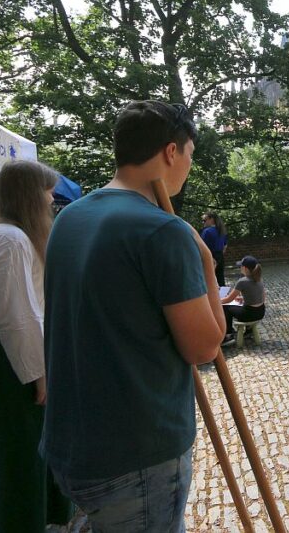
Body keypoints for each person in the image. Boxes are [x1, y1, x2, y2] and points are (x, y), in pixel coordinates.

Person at [41, 101, 225, 532]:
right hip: (136, 453)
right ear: (170, 153)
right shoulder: (162, 231)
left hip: (71, 445)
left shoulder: (70, 218)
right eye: (190, 156)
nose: (189, 168)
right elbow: (205, 347)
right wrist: (207, 265)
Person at [0, 160, 72, 532]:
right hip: (7, 363)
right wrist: (38, 375)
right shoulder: (9, 239)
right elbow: (17, 317)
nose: (52, 198)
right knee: (15, 456)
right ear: (28, 194)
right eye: (46, 190)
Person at [218, 255, 266, 346]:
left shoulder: (242, 281)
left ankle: (228, 334)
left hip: (248, 314)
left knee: (226, 308)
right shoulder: (259, 279)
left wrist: (216, 301)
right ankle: (249, 331)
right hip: (261, 312)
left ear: (245, 268)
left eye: (240, 266)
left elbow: (228, 299)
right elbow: (263, 298)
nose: (240, 268)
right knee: (239, 306)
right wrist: (244, 299)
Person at [201, 211, 228, 287]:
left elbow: (202, 247)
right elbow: (225, 246)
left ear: (211, 219)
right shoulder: (222, 231)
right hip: (220, 256)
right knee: (220, 279)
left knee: (209, 280)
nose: (203, 223)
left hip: (210, 256)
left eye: (204, 220)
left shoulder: (207, 231)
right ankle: (222, 297)